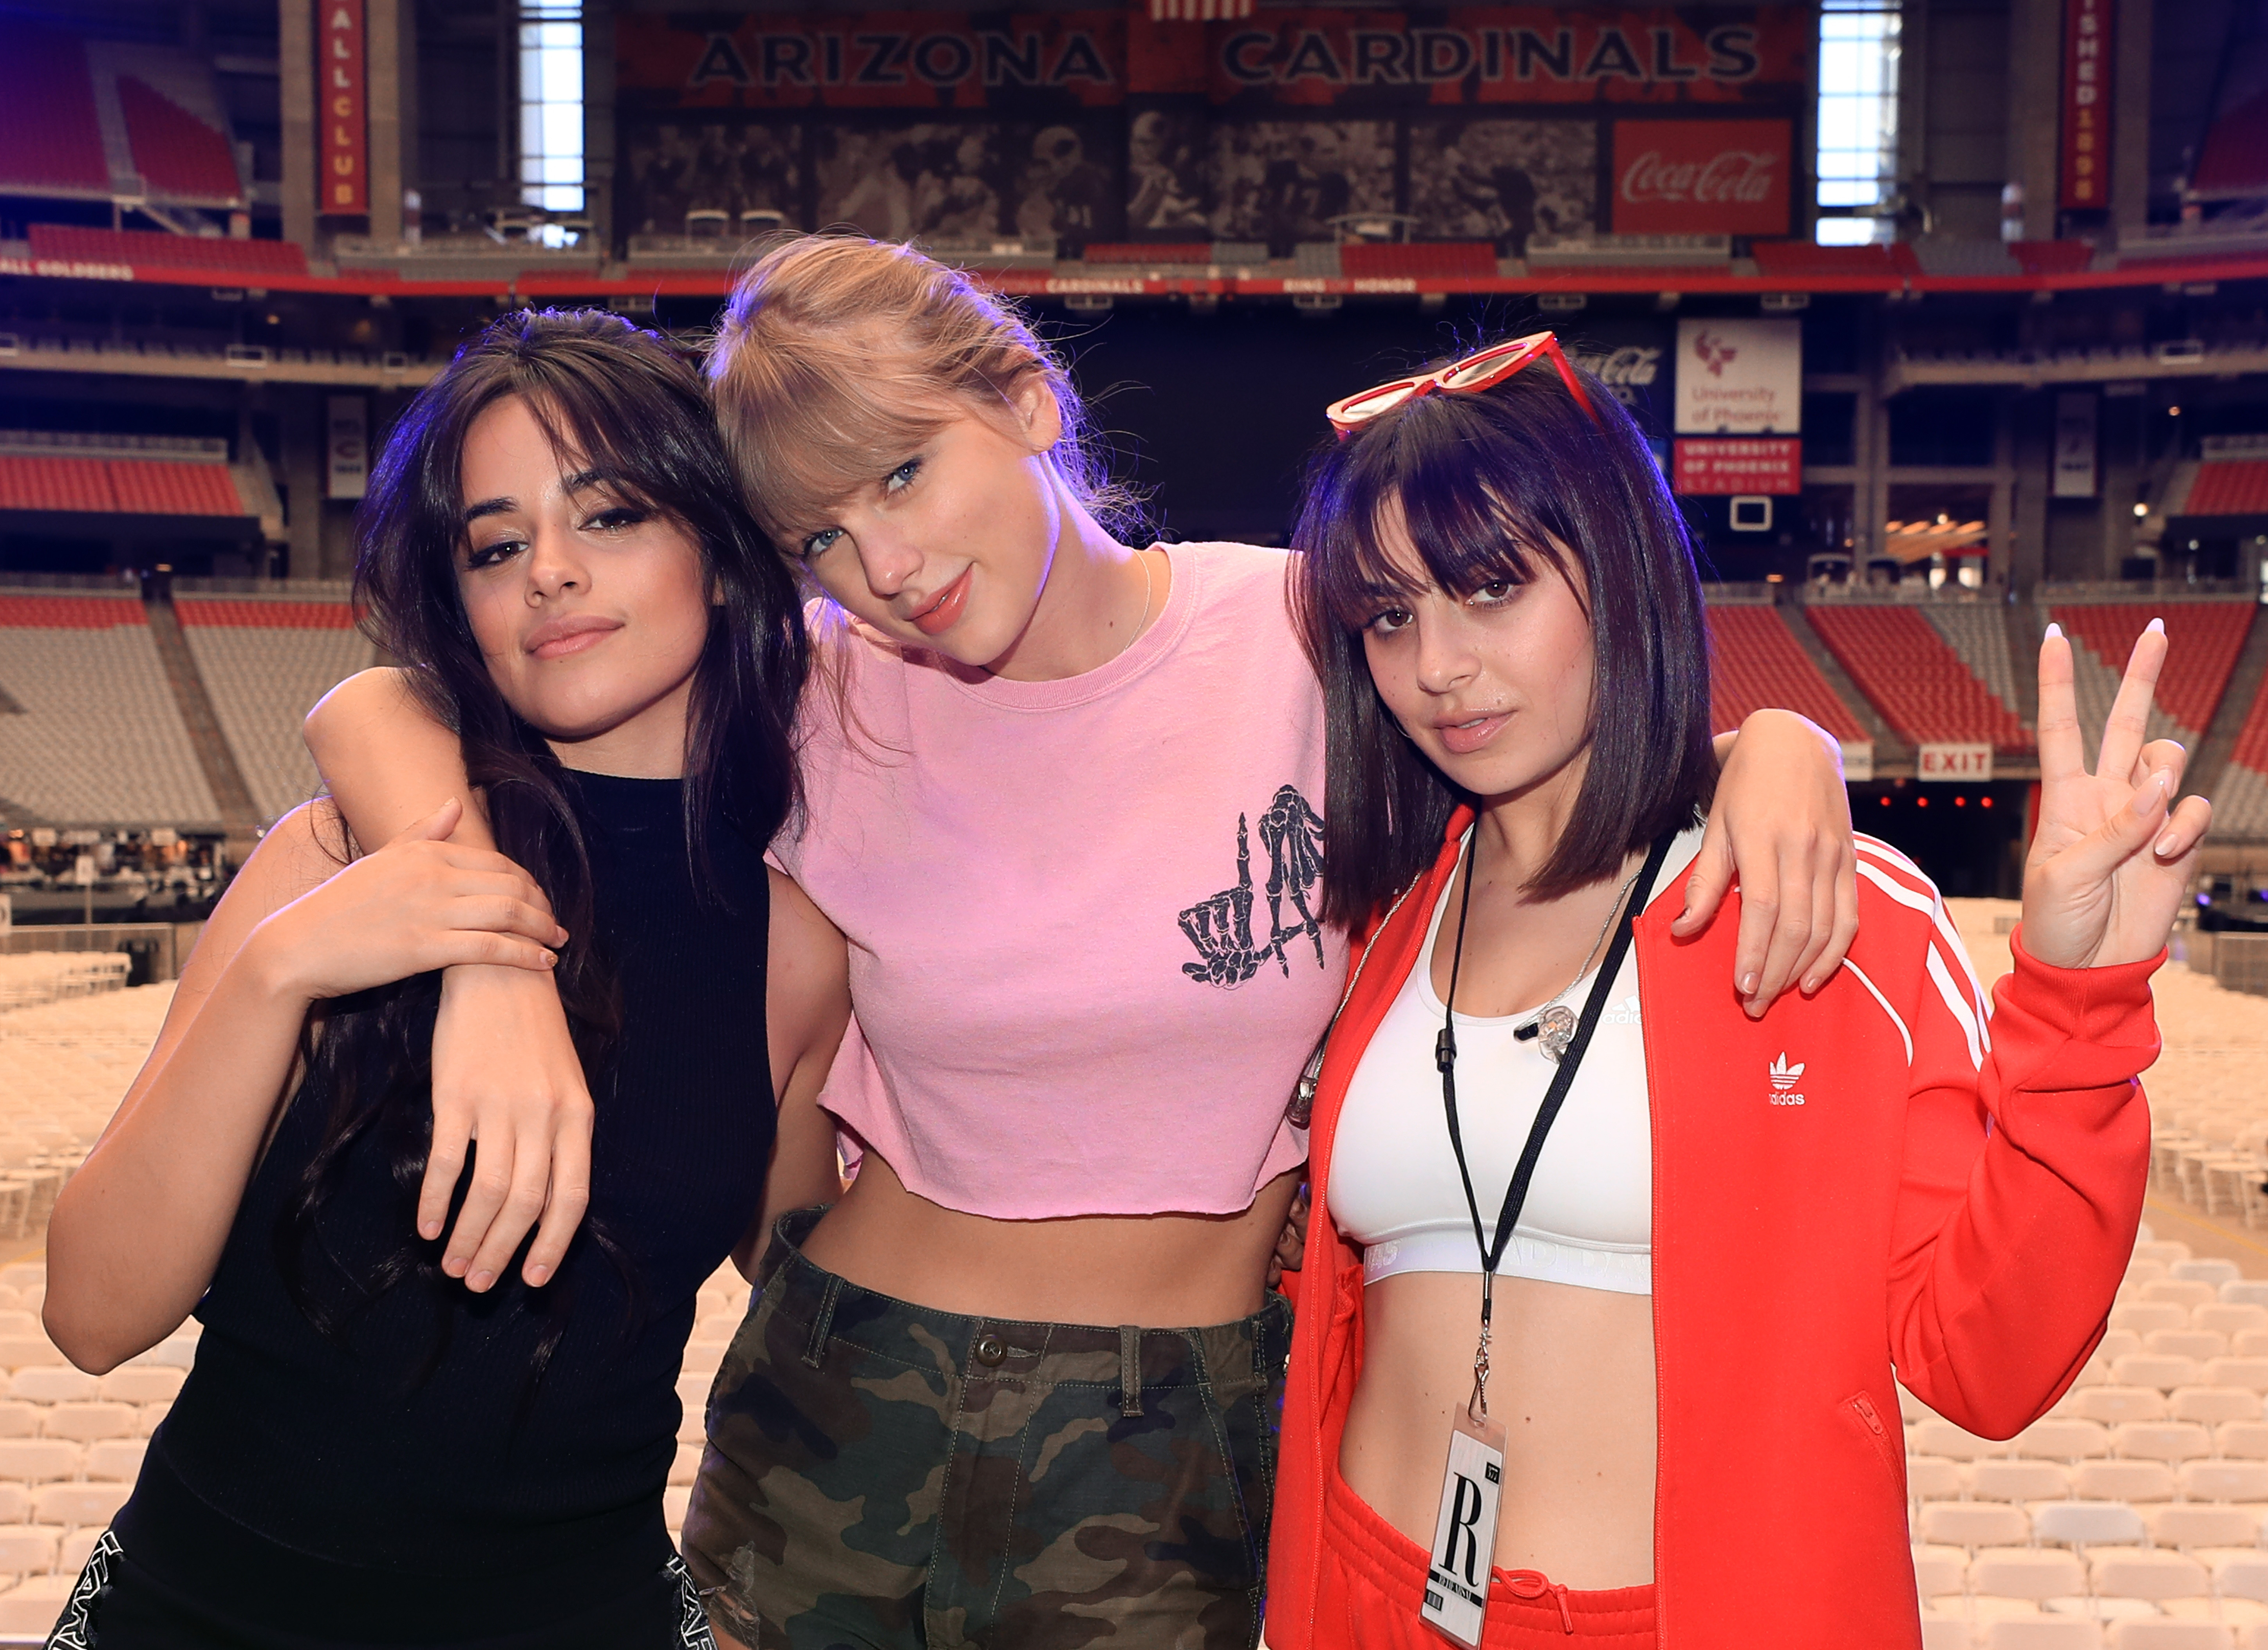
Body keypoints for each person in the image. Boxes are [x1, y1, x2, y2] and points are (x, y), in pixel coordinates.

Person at [304, 237, 1863, 1650]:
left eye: (905, 475)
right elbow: (379, 704)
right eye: (822, 538)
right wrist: (490, 957)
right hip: (843, 1393)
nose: (885, 571)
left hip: (1175, 1427)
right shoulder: (821, 691)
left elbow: (1564, 725)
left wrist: (1776, 746)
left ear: (1031, 402)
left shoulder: (1312, 633)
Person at [1265, 333, 2207, 1650]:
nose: (1436, 667)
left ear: (1624, 569)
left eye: (1491, 591)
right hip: (1362, 1592)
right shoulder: (1384, 917)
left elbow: (1988, 1366)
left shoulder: (1829, 907)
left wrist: (2083, 1005)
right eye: (1390, 614)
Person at [40, 309, 851, 1649]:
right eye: (496, 543)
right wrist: (284, 966)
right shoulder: (338, 849)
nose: (547, 573)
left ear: (718, 551)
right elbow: (90, 1311)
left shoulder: (798, 956)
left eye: (609, 517)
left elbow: (822, 1307)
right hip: (202, 1609)